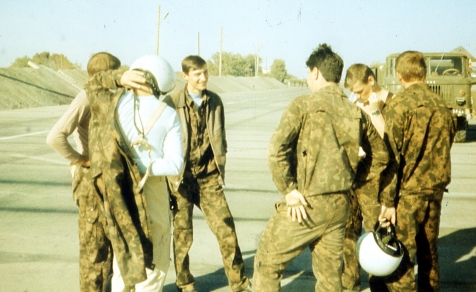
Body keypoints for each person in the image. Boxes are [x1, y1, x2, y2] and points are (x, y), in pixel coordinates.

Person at [252, 44, 394, 291]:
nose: (308, 79)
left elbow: (276, 149)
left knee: (267, 261)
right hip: (339, 207)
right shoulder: (355, 112)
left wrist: (289, 190)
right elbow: (381, 155)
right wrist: (352, 177)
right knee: (329, 278)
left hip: (306, 205)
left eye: (308, 74)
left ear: (315, 72)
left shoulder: (303, 105)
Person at [85, 54, 184, 291]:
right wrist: (143, 166)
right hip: (151, 190)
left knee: (124, 258)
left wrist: (119, 78)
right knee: (154, 263)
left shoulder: (110, 104)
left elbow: (91, 83)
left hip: (119, 192)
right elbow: (175, 164)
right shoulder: (168, 114)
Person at [164, 55, 251, 292]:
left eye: (205, 73)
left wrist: (219, 164)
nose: (203, 78)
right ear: (185, 76)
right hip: (180, 179)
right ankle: (185, 282)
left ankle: (239, 283)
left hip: (209, 177)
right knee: (182, 235)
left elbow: (219, 137)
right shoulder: (170, 102)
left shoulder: (215, 101)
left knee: (226, 230)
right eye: (197, 74)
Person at [378, 51, 456, 291]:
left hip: (408, 196)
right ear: (425, 73)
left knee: (402, 256)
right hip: (435, 192)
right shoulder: (444, 106)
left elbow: (391, 158)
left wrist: (388, 202)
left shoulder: (398, 106)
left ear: (399, 75)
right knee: (429, 254)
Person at [46, 52, 121, 292]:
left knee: (110, 245)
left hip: (111, 178)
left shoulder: (113, 96)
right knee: (94, 249)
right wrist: (80, 159)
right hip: (91, 182)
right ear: (105, 74)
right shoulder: (85, 97)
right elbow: (55, 137)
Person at [341, 64, 396, 292]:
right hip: (356, 178)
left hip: (380, 182)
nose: (357, 96)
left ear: (371, 81)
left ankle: (378, 285)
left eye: (360, 91)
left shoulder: (393, 104)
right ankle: (350, 284)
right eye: (352, 93)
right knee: (349, 233)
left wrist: (375, 112)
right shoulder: (356, 105)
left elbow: (392, 146)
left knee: (377, 236)